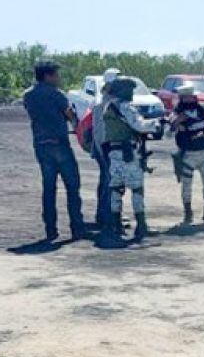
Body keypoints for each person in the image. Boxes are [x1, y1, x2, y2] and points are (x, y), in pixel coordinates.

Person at [22, 59, 87, 242]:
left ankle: (51, 229)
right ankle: (77, 227)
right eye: (56, 75)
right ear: (48, 76)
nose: (59, 78)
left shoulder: (28, 95)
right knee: (72, 187)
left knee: (49, 189)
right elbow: (70, 116)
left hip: (41, 145)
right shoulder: (57, 94)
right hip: (60, 143)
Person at [100, 77, 159, 247]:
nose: (132, 93)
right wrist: (157, 124)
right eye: (130, 90)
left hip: (114, 152)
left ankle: (116, 225)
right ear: (122, 91)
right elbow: (139, 125)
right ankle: (141, 226)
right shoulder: (125, 107)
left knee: (116, 189)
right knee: (136, 189)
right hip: (128, 153)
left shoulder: (108, 106)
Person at [169, 84, 204, 224]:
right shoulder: (177, 113)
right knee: (186, 184)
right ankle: (188, 212)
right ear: (182, 98)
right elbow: (168, 132)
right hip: (188, 154)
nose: (191, 99)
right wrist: (177, 122)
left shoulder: (202, 111)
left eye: (192, 96)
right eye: (187, 97)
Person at [89, 68, 122, 229]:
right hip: (106, 147)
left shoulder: (106, 101)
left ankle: (105, 215)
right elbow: (100, 131)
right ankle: (107, 217)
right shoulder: (104, 104)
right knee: (110, 182)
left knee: (106, 181)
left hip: (103, 147)